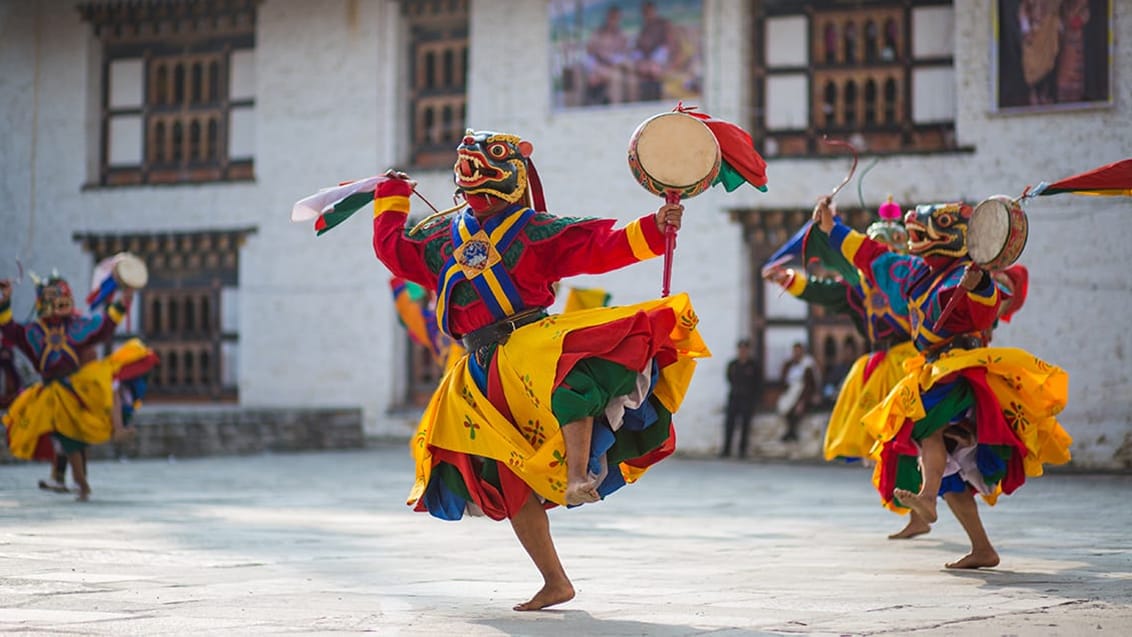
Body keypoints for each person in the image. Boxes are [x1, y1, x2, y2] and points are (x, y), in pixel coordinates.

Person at [364, 129, 708, 611]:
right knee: (506, 478)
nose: (475, 175)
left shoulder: (533, 230)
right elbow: (395, 253)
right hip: (477, 370)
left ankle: (577, 474)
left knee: (573, 383)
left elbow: (596, 243)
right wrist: (392, 198)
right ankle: (555, 581)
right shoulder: (441, 236)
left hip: (527, 340)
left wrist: (654, 226)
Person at [813, 197, 1072, 569]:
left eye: (937, 222)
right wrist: (831, 228)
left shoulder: (966, 274)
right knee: (951, 475)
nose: (916, 227)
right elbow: (870, 255)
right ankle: (980, 546)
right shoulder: (912, 270)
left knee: (920, 423)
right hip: (931, 366)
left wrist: (981, 284)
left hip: (960, 369)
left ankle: (928, 495)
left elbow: (985, 309)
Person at [763, 197, 928, 539]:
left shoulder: (910, 280)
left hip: (911, 365)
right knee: (894, 443)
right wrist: (788, 278)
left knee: (915, 439)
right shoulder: (860, 289)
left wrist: (831, 228)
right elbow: (824, 292)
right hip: (881, 367)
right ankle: (914, 511)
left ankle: (923, 507)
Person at [1, 274, 134, 501]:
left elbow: (104, 326)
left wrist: (124, 300)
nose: (62, 302)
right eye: (55, 297)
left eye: (64, 296)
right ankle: (77, 483)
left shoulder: (75, 326)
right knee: (68, 437)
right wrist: (5, 300)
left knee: (75, 437)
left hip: (74, 387)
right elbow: (10, 329)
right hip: (51, 391)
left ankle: (79, 482)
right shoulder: (33, 332)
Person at [720, 339, 760, 458]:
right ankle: (726, 449)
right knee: (729, 424)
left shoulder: (753, 366)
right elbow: (729, 378)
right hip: (734, 397)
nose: (742, 352)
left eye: (745, 349)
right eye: (741, 349)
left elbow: (757, 383)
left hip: (747, 398)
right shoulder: (733, 365)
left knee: (745, 425)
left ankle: (742, 450)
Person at [583, 5, 630, 105]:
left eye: (615, 18)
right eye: (611, 17)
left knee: (618, 77)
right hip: (597, 68)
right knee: (614, 77)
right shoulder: (598, 33)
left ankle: (616, 108)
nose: (613, 20)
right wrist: (595, 69)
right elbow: (590, 53)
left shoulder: (621, 36)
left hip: (613, 68)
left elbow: (625, 56)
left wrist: (612, 61)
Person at [776, 342, 816, 443]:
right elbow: (783, 381)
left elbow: (810, 385)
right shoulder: (789, 365)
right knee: (784, 408)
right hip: (790, 393)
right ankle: (790, 432)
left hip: (801, 394)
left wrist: (803, 401)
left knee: (795, 411)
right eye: (795, 351)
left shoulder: (807, 366)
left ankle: (791, 432)